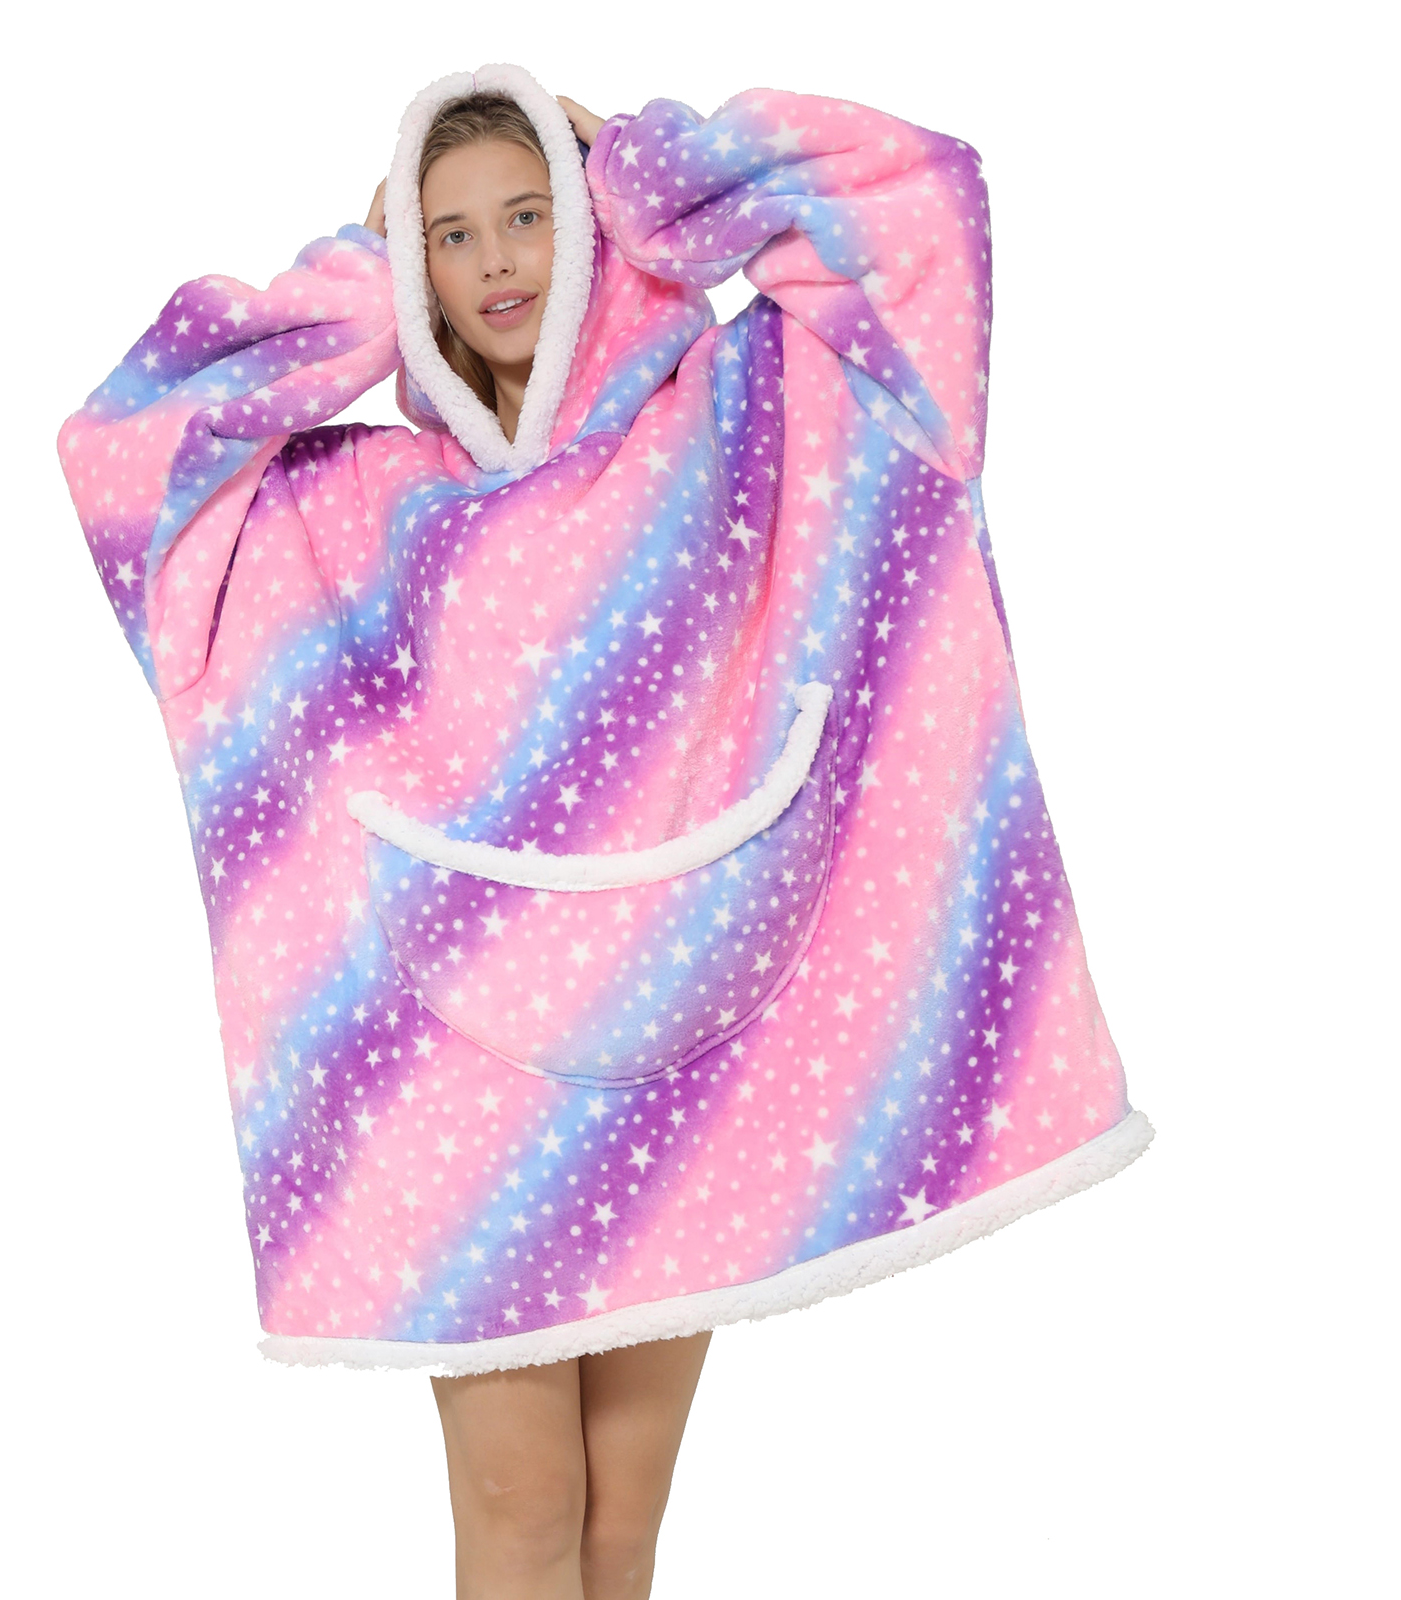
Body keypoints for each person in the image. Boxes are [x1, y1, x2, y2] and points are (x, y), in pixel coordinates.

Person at [58, 62, 1153, 1600]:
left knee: (622, 1520)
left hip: (677, 1069)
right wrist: (357, 282)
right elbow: (133, 456)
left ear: (584, 223)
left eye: (528, 214)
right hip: (463, 1098)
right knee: (523, 1509)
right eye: (450, 234)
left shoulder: (734, 416)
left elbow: (913, 216)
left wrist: (650, 171)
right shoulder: (360, 507)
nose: (496, 260)